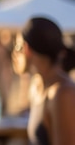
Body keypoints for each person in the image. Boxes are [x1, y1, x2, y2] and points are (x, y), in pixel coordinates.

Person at [13, 17, 75, 145]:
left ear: (27, 49)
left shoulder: (63, 93)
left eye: (17, 47)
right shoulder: (38, 86)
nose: (14, 54)